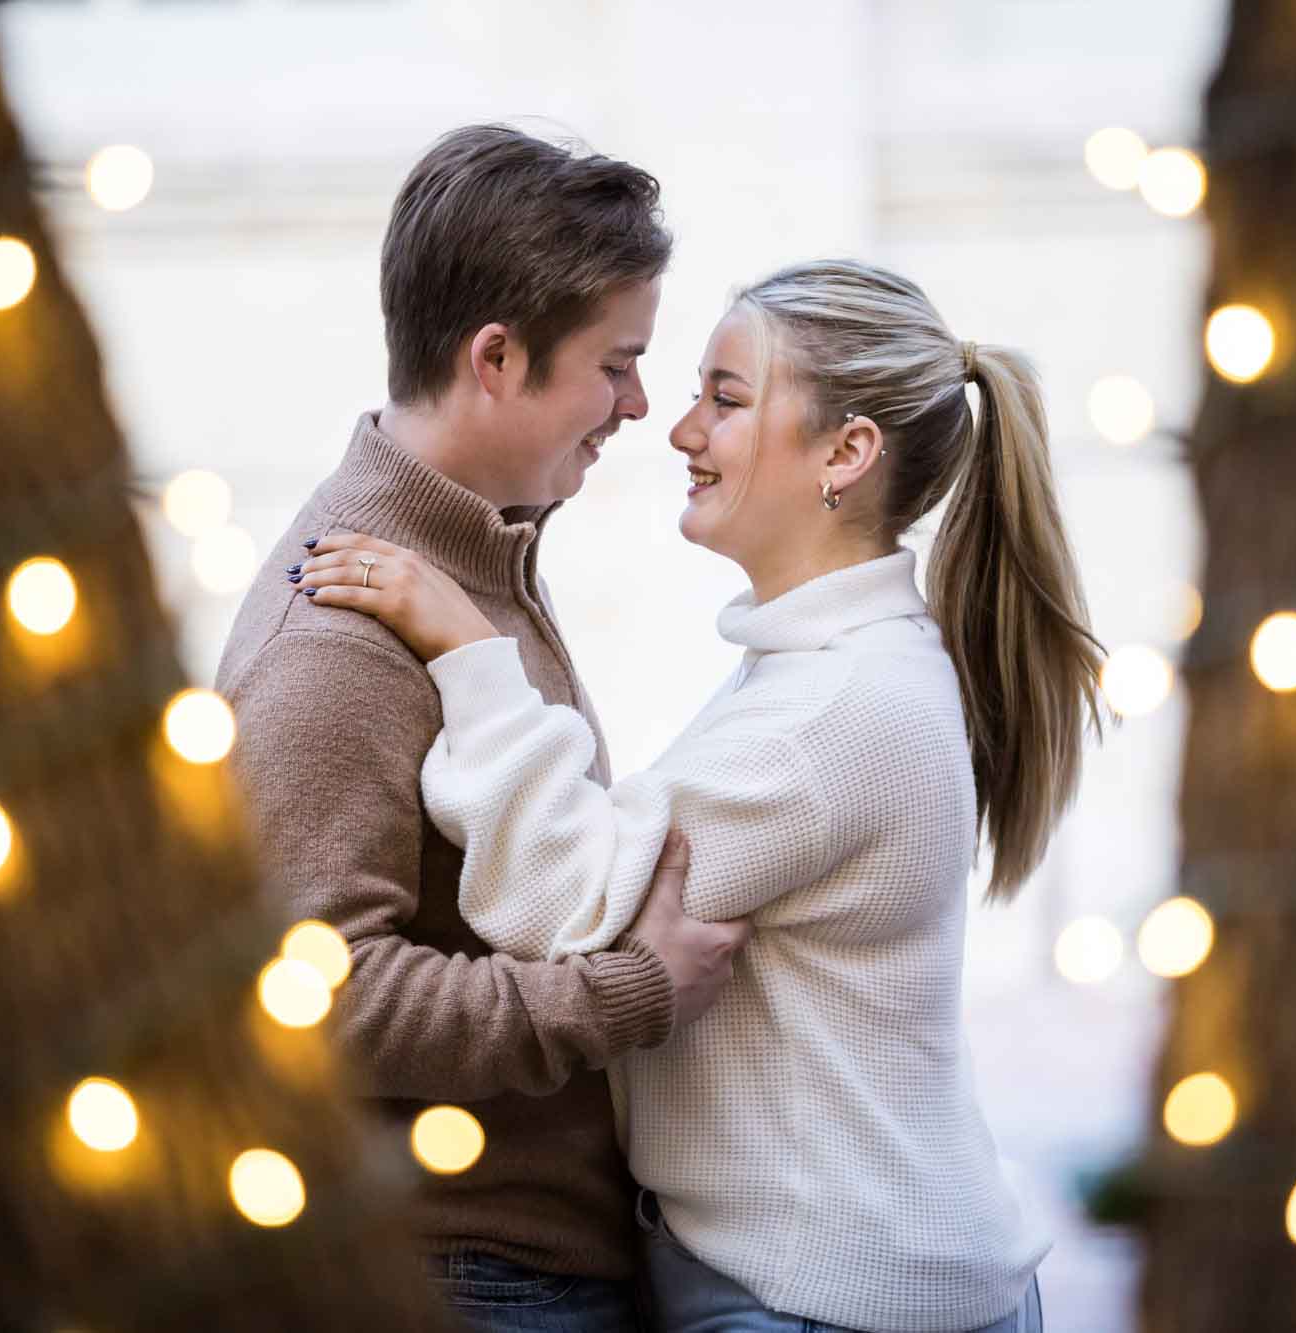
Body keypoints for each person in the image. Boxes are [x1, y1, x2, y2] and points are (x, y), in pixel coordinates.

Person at [294, 258, 1105, 1332]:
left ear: (844, 453)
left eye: (723, 399)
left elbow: (561, 904)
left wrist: (468, 650)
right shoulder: (828, 668)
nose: (678, 429)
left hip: (827, 1300)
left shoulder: (836, 710)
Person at [214, 124, 752, 1333]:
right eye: (615, 364)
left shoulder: (469, 550)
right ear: (497, 358)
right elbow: (323, 992)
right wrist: (629, 992)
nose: (639, 405)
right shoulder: (339, 641)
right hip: (468, 1282)